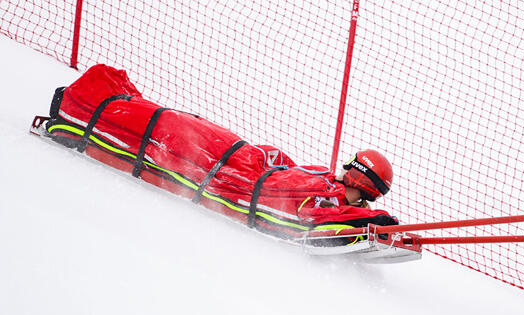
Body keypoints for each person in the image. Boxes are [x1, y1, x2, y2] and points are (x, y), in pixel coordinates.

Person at [39, 64, 398, 243]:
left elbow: (302, 217)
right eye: (365, 196)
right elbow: (297, 214)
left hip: (229, 163)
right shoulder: (324, 185)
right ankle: (83, 106)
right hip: (233, 156)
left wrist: (364, 224)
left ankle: (89, 105)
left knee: (167, 128)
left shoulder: (330, 196)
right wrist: (365, 223)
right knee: (168, 123)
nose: (363, 203)